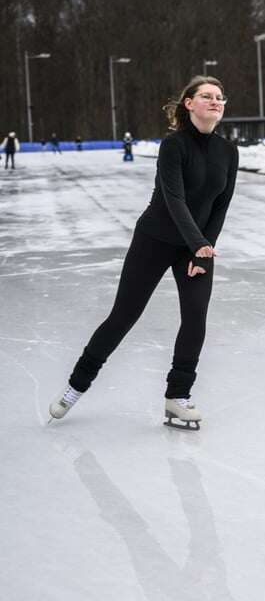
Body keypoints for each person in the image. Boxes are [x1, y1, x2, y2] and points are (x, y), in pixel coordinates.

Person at [48, 76, 239, 429]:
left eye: (220, 97)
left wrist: (201, 251)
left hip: (196, 246)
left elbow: (220, 206)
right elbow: (175, 199)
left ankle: (177, 396)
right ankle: (76, 385)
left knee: (195, 317)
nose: (215, 101)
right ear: (189, 104)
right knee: (124, 316)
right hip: (155, 238)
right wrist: (198, 243)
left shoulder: (228, 151)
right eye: (207, 96)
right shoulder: (174, 146)